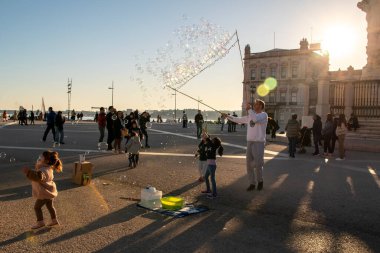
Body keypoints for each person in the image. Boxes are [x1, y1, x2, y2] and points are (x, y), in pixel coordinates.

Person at [224, 99, 268, 191]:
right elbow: (238, 120)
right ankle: (252, 183)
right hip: (250, 142)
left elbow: (255, 119)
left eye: (256, 104)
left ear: (260, 106)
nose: (254, 105)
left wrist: (249, 110)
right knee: (248, 164)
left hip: (259, 142)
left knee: (258, 163)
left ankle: (260, 181)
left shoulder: (263, 115)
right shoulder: (250, 116)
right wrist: (227, 116)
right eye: (254, 104)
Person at [22, 151, 62, 229]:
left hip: (44, 193)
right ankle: (54, 220)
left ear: (46, 161)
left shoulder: (43, 170)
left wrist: (28, 172)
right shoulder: (49, 168)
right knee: (50, 206)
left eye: (42, 157)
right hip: (49, 191)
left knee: (37, 207)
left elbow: (38, 177)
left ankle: (40, 222)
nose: (40, 157)